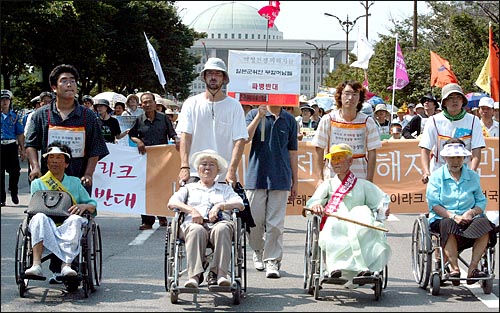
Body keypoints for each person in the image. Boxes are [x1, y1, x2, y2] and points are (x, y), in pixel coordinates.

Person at [306, 143, 391, 284]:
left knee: (365, 220)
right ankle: (334, 267)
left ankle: (363, 268)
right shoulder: (327, 185)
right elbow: (314, 201)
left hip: (359, 220)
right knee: (333, 226)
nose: (336, 162)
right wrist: (316, 206)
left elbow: (380, 201)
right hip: (336, 219)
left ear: (350, 161)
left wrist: (383, 209)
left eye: (339, 158)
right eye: (333, 159)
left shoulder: (363, 185)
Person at [25, 64, 109, 195]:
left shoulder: (89, 116)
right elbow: (31, 144)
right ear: (54, 87)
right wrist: (35, 167)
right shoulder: (41, 115)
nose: (69, 84)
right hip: (49, 180)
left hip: (79, 181)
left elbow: (96, 148)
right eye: (64, 81)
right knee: (46, 214)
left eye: (72, 81)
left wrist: (88, 174)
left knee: (78, 215)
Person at [167, 149, 244, 288]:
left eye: (211, 165)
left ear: (218, 170)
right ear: (198, 168)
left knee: (223, 228)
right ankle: (194, 276)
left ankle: (220, 274)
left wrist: (220, 206)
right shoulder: (189, 188)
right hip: (193, 225)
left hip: (218, 224)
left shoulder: (225, 189)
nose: (207, 167)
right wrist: (192, 210)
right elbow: (172, 202)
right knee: (196, 230)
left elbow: (240, 204)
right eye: (204, 164)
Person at [24, 142, 97, 279]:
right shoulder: (38, 183)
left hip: (67, 224)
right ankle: (36, 264)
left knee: (75, 219)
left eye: (59, 158)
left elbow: (92, 205)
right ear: (46, 162)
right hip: (46, 226)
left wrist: (83, 206)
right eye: (51, 158)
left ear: (66, 163)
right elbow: (33, 209)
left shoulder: (75, 182)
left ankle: (66, 265)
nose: (55, 161)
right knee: (38, 217)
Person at [426, 138, 494, 284]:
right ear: (445, 157)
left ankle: (473, 268)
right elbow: (434, 204)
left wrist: (471, 213)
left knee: (485, 224)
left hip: (469, 218)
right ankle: (454, 268)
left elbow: (481, 201)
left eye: (459, 157)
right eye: (452, 157)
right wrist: (453, 216)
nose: (456, 161)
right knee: (447, 224)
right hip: (444, 217)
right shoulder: (436, 177)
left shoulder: (473, 176)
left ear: (464, 158)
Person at [245, 104, 298, 278]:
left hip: (281, 176)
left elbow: (293, 152)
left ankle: (272, 260)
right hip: (256, 175)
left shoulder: (289, 119)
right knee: (254, 221)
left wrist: (295, 181)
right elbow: (245, 137)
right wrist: (258, 117)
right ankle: (258, 250)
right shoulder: (254, 113)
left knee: (275, 224)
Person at [176, 57, 248, 185]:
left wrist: (231, 170)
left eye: (218, 73)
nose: (213, 77)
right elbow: (185, 136)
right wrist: (184, 166)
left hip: (224, 175)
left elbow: (239, 141)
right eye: (209, 73)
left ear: (224, 78)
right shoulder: (191, 103)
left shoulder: (234, 106)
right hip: (195, 173)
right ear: (204, 76)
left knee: (233, 205)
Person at [311, 80, 381, 184]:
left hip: (360, 178)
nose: (350, 98)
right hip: (332, 179)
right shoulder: (328, 119)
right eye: (347, 94)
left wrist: (369, 180)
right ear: (340, 96)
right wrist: (320, 179)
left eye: (355, 94)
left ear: (360, 98)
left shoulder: (368, 122)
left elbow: (372, 152)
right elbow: (319, 149)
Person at [128, 92, 179, 230]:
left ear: (155, 103)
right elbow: (132, 135)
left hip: (162, 160)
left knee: (162, 188)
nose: (147, 104)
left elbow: (172, 134)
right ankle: (147, 220)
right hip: (145, 160)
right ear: (141, 105)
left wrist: (177, 140)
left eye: (149, 101)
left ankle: (162, 215)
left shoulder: (163, 119)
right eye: (144, 102)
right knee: (146, 189)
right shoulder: (139, 119)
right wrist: (138, 141)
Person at [419, 83, 485, 184]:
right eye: (450, 97)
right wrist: (426, 172)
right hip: (439, 172)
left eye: (458, 97)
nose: (455, 100)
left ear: (463, 101)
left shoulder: (473, 120)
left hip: (464, 172)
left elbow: (476, 149)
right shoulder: (433, 120)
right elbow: (425, 149)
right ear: (444, 102)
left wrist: (472, 171)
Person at [1, 89, 26, 206]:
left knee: (15, 171)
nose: (4, 102)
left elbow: (20, 133)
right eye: (2, 100)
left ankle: (13, 190)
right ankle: (2, 198)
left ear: (10, 101)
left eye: (6, 99)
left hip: (11, 145)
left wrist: (22, 149)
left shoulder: (14, 116)